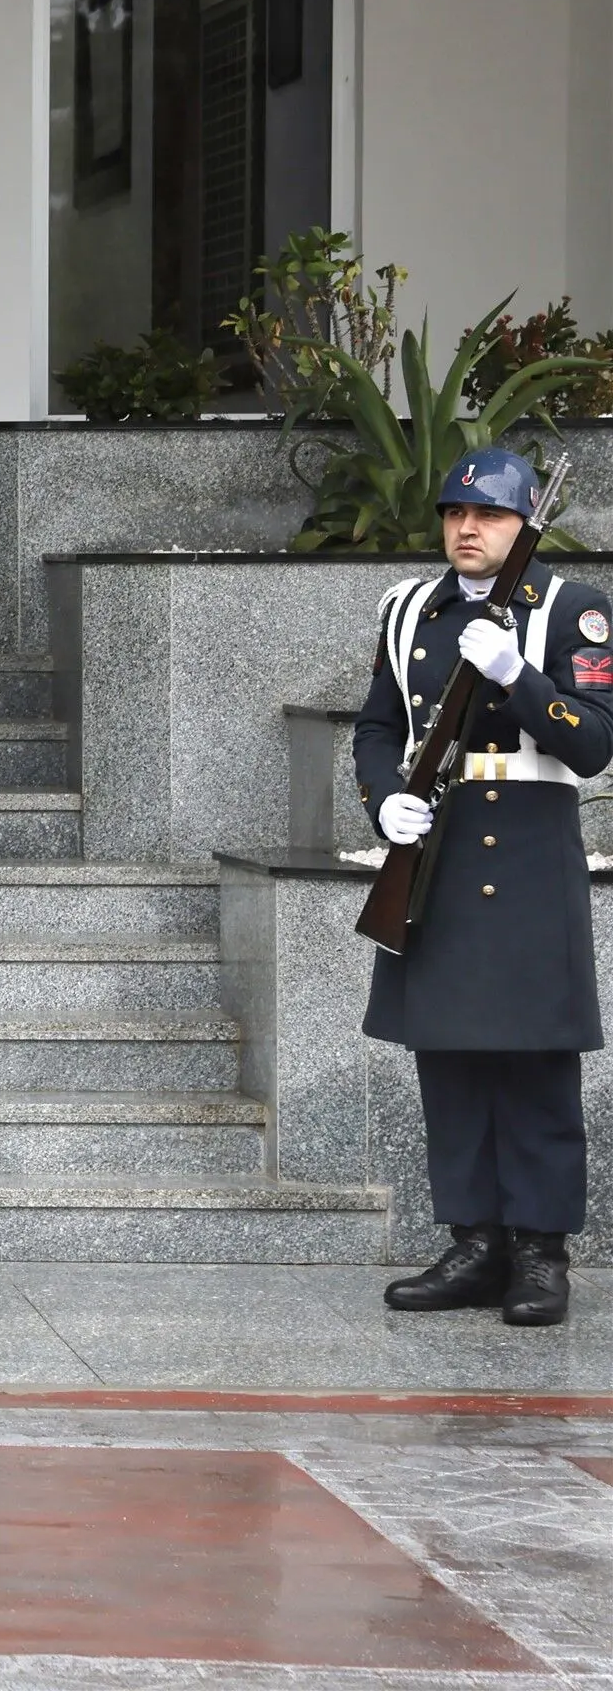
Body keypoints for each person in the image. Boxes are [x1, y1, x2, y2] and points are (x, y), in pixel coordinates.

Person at [357, 447, 613, 1328]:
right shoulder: (407, 612)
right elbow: (377, 728)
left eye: (492, 517)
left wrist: (517, 676)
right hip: (443, 856)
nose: (468, 530)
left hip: (532, 854)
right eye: (455, 515)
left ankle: (539, 1253)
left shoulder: (571, 611)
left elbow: (593, 744)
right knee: (452, 1058)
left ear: (522, 528)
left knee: (537, 1061)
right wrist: (385, 798)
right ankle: (473, 1242)